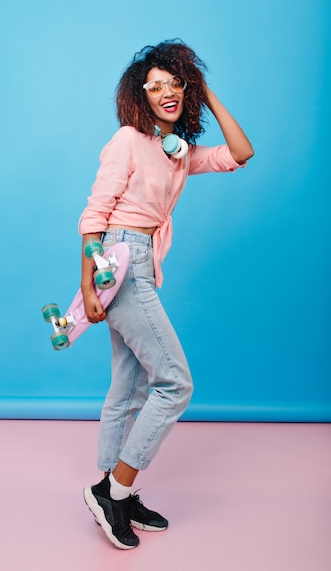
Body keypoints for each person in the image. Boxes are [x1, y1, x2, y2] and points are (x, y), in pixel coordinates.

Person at [79, 39, 254, 550]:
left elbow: (241, 153)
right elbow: (95, 217)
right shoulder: (129, 141)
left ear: (185, 87)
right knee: (175, 384)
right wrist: (89, 283)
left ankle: (115, 491)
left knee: (130, 387)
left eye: (174, 83)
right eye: (154, 86)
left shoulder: (177, 153)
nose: (165, 92)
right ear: (141, 96)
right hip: (121, 260)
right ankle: (112, 490)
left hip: (140, 264)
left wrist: (208, 92)